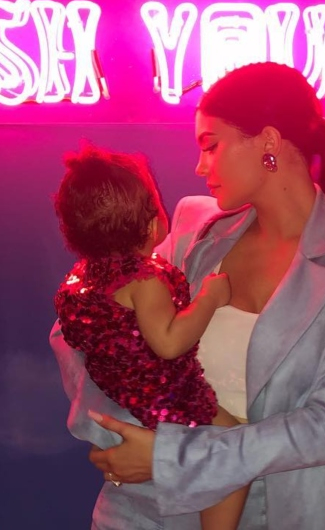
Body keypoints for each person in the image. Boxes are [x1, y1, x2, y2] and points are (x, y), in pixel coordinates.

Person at [50, 62, 325, 529]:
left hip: (303, 511)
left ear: (268, 142)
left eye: (211, 145)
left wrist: (173, 456)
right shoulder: (195, 228)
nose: (199, 166)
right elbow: (86, 330)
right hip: (159, 511)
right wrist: (125, 429)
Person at [52, 145, 249, 529]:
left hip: (130, 402)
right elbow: (169, 343)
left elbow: (81, 338)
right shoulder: (145, 280)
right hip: (171, 398)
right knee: (233, 453)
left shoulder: (80, 280)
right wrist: (209, 299)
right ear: (150, 225)